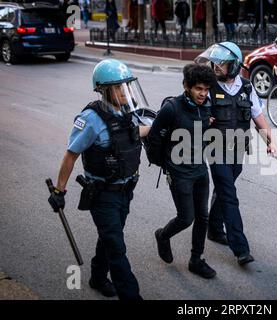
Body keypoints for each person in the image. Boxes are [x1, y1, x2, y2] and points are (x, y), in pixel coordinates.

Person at [48, 59, 151, 300]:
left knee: (110, 238)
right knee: (117, 246)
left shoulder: (129, 111)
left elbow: (133, 133)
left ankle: (97, 277)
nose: (126, 92)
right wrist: (59, 191)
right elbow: (71, 154)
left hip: (126, 190)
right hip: (102, 195)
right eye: (119, 87)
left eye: (128, 86)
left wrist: (158, 124)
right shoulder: (91, 119)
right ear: (104, 89)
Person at [195, 42, 277, 265]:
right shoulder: (209, 87)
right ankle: (240, 247)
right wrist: (204, 118)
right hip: (215, 149)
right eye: (214, 64)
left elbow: (259, 117)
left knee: (225, 188)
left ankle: (213, 228)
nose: (215, 68)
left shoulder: (248, 88)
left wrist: (271, 140)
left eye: (220, 65)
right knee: (229, 194)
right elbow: (194, 110)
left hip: (238, 149)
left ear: (233, 66)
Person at [149, 64, 217, 279]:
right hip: (179, 172)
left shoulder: (207, 105)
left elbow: (203, 129)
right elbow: (153, 139)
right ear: (186, 86)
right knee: (186, 218)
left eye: (206, 89)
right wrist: (166, 164)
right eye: (199, 89)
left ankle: (196, 259)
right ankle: (162, 235)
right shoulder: (172, 108)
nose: (203, 94)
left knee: (203, 217)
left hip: (200, 169)